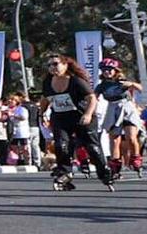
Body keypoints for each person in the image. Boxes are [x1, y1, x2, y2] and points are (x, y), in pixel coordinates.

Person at [42, 55, 113, 189]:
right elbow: (45, 98)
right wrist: (42, 114)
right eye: (49, 65)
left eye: (55, 64)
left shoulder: (76, 81)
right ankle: (65, 173)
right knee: (61, 145)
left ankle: (104, 172)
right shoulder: (48, 81)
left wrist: (88, 114)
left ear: (65, 65)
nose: (52, 68)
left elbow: (92, 98)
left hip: (81, 116)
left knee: (92, 147)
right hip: (60, 118)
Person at [94, 57, 145, 174]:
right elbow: (94, 98)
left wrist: (132, 84)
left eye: (109, 69)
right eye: (104, 70)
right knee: (114, 139)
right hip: (112, 108)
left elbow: (142, 89)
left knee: (131, 137)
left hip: (127, 107)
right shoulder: (101, 86)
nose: (106, 72)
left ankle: (136, 158)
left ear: (116, 70)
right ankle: (115, 163)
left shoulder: (122, 81)